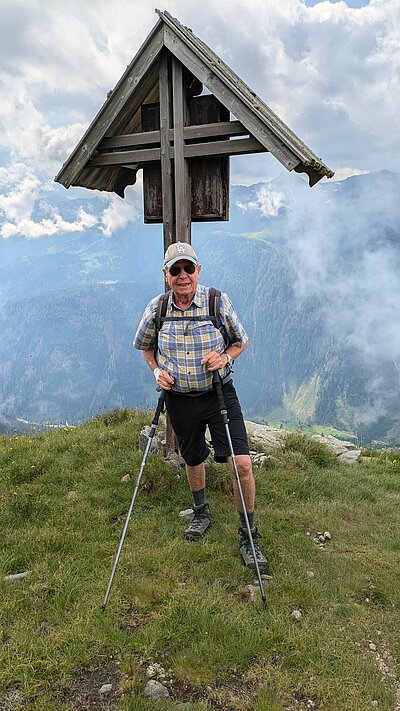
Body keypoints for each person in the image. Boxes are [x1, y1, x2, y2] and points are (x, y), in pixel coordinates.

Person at [133, 242, 268, 572]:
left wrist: (224, 357)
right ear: (166, 275)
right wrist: (156, 371)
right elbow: (145, 347)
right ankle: (201, 513)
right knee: (193, 457)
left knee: (242, 463)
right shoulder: (157, 308)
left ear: (198, 271)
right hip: (180, 399)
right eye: (175, 270)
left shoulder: (215, 302)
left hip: (219, 393)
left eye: (188, 269)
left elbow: (241, 340)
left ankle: (248, 535)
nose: (183, 276)